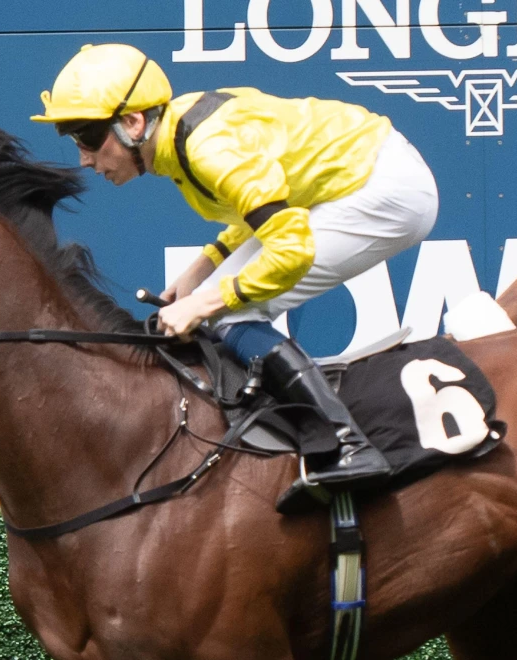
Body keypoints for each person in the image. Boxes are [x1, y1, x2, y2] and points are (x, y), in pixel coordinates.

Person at [32, 43, 441, 512]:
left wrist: (205, 303)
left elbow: (290, 249)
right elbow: (264, 202)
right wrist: (203, 265)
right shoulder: (181, 136)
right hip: (348, 177)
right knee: (216, 302)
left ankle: (347, 444)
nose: (84, 159)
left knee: (232, 310)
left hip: (386, 188)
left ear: (133, 124)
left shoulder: (206, 147)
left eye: (87, 137)